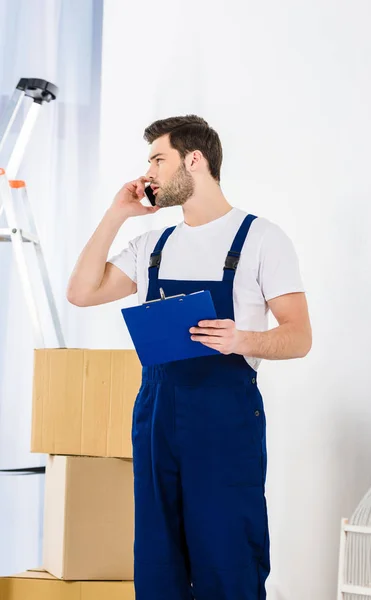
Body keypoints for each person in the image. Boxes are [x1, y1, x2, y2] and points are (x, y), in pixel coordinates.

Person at [67, 115, 312, 600]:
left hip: (225, 419)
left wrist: (242, 340)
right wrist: (117, 215)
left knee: (227, 556)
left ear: (194, 160)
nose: (150, 173)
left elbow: (299, 336)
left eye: (159, 159)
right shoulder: (153, 245)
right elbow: (81, 292)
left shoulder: (261, 238)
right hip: (157, 414)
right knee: (159, 560)